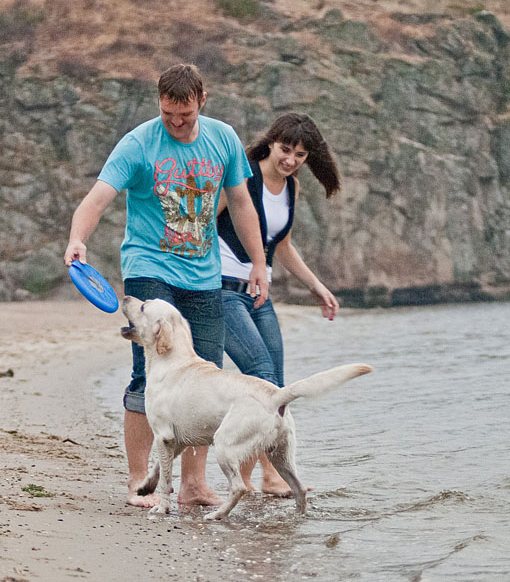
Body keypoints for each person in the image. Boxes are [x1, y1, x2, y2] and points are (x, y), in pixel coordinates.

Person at [63, 63, 270, 508]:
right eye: (168, 114)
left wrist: (258, 262)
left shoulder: (223, 139)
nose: (176, 123)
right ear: (159, 103)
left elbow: (240, 203)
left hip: (204, 274)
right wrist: (78, 239)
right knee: (148, 374)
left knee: (204, 380)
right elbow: (97, 199)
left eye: (186, 115)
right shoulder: (138, 143)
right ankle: (141, 481)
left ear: (202, 101)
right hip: (149, 266)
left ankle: (194, 485)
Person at [216, 113, 341, 496]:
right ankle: (250, 477)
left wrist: (315, 286)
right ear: (271, 142)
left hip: (259, 294)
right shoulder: (242, 176)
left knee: (276, 387)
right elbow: (204, 223)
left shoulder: (291, 188)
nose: (290, 160)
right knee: (261, 375)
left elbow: (281, 245)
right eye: (286, 150)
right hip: (222, 289)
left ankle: (267, 476)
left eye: (300, 155)